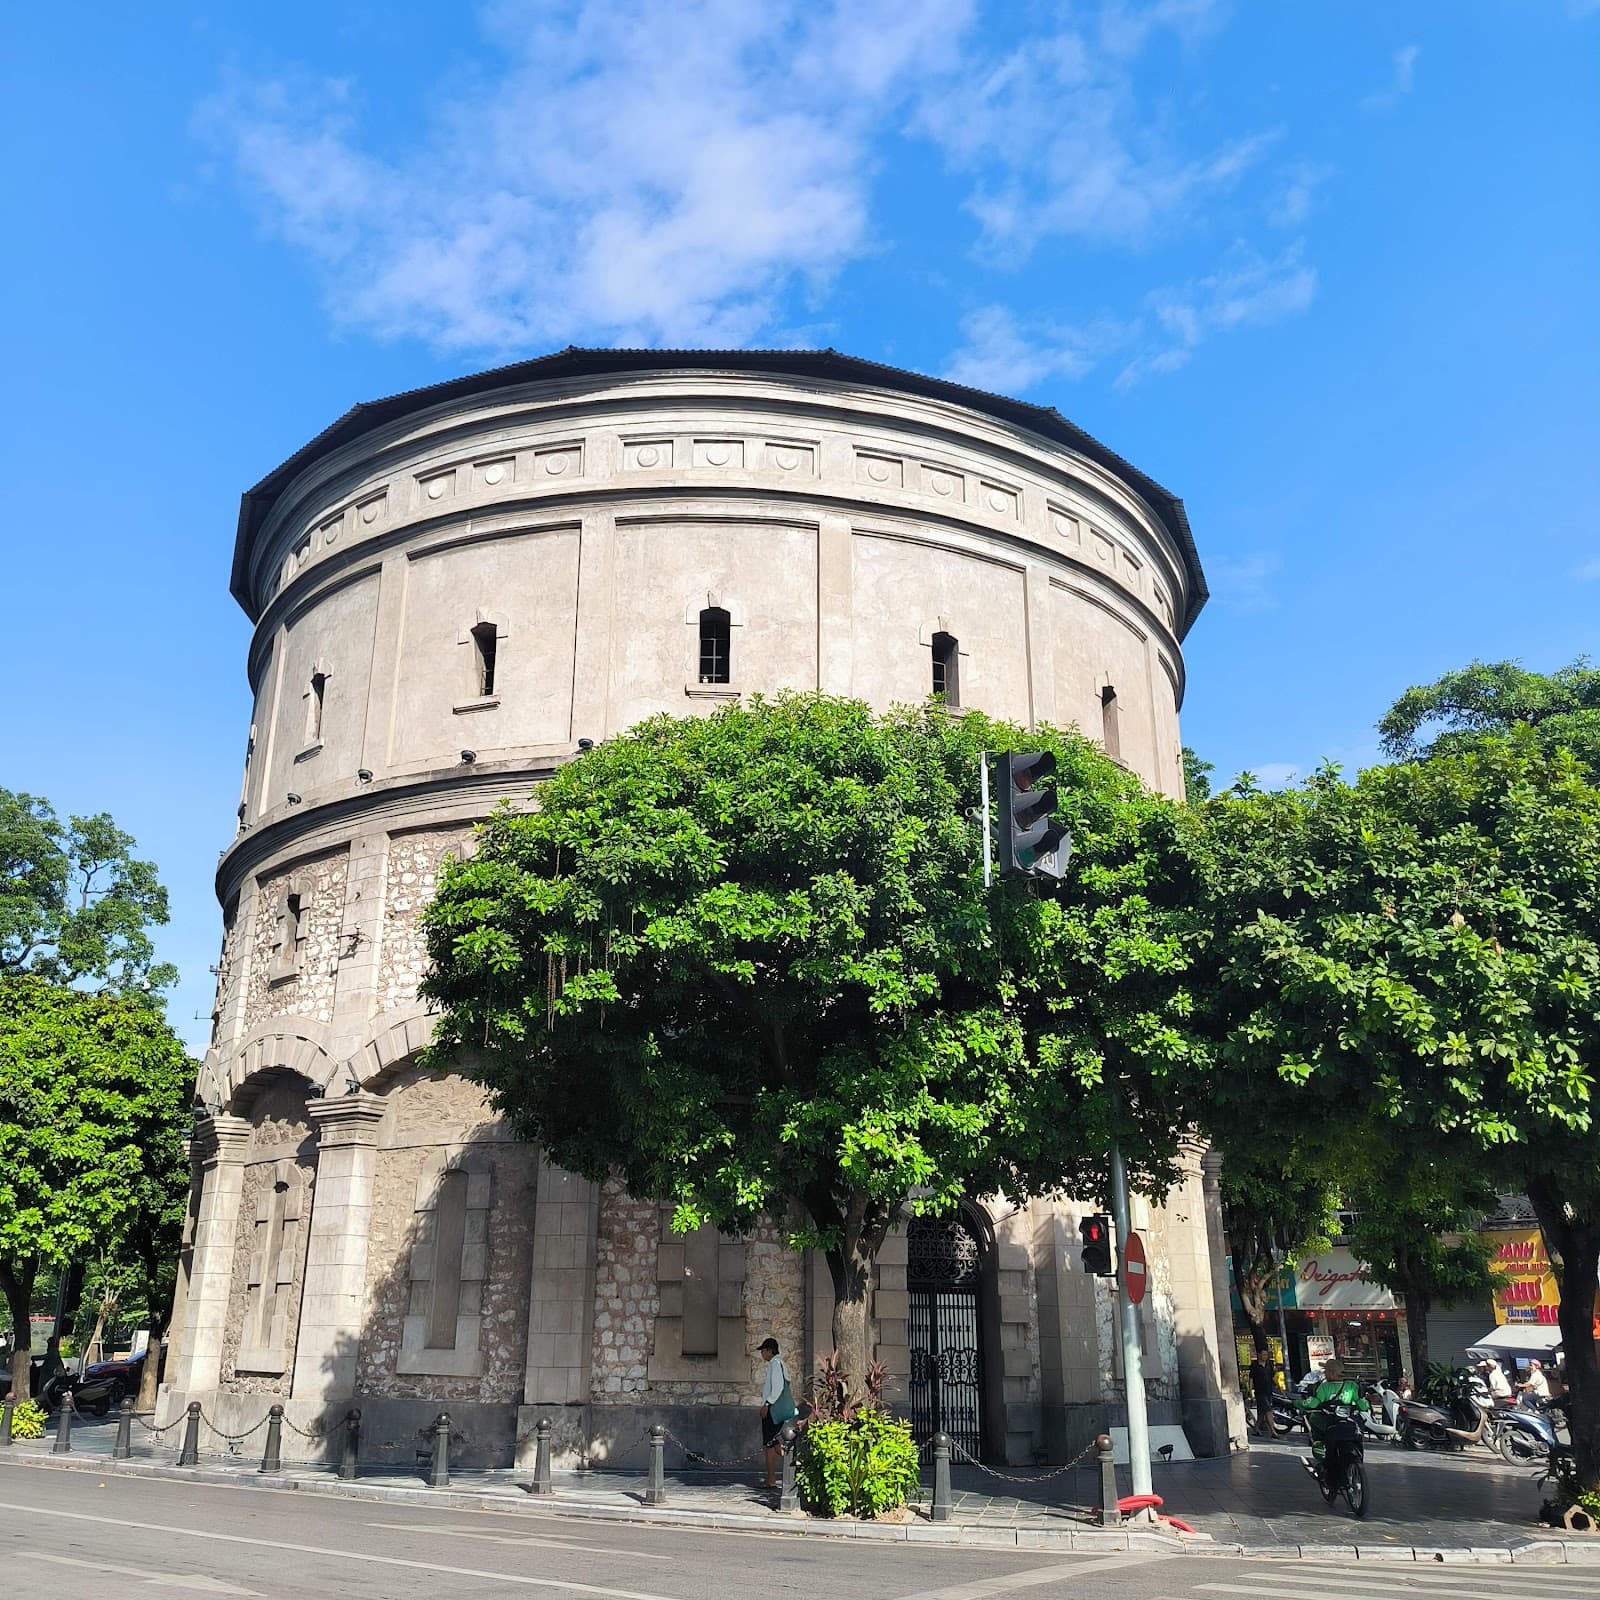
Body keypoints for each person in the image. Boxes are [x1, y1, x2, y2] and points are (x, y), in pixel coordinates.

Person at [1293, 1357, 1369, 1472]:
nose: (1324, 1374)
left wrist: (1296, 1403)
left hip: (1331, 1424)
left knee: (1315, 1422)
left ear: (1332, 1373)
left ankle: (1325, 1464)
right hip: (1349, 1423)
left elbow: (1313, 1404)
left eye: (1326, 1371)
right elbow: (1363, 1406)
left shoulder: (1324, 1387)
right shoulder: (1352, 1386)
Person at [757, 1337, 795, 1489]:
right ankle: (792, 1464)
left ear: (769, 1351)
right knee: (774, 1443)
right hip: (774, 1410)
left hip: (773, 1410)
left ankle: (772, 1478)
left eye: (763, 1350)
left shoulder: (775, 1364)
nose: (762, 1354)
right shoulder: (777, 1364)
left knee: (769, 1444)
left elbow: (777, 1388)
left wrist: (767, 1404)